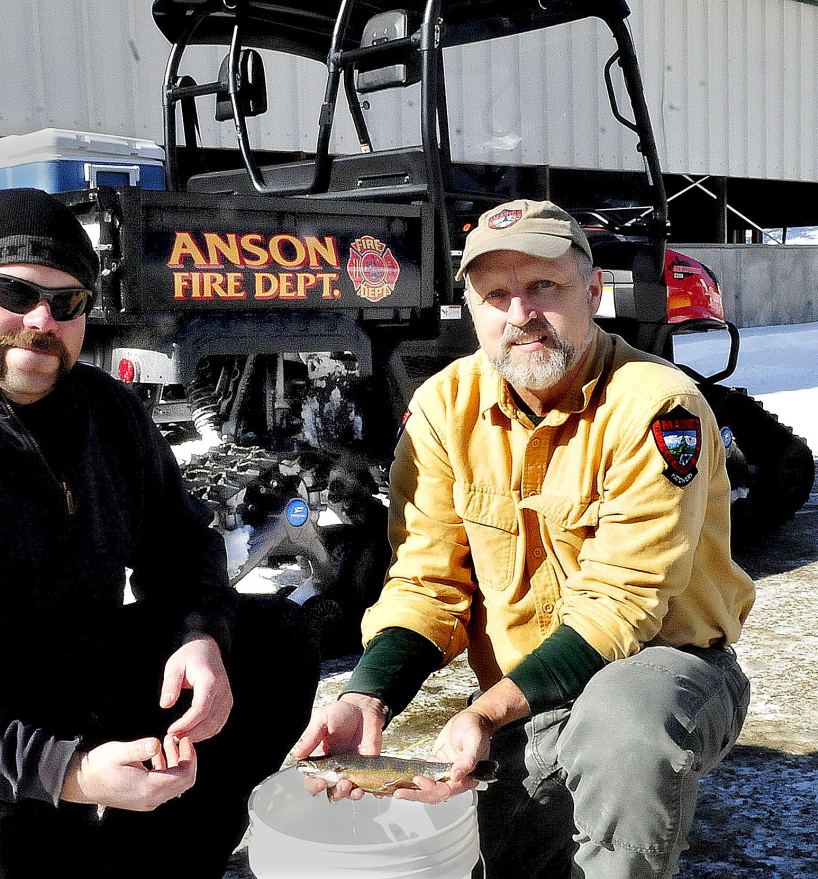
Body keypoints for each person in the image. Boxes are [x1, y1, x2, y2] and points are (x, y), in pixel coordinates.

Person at [0, 187, 317, 878]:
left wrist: (197, 633)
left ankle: (161, 862)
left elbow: (179, 542)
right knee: (11, 850)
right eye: (13, 292)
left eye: (69, 301)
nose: (41, 320)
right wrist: (70, 773)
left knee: (270, 642)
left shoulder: (105, 411)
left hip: (63, 677)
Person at [294, 199, 754, 879]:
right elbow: (426, 582)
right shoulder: (443, 408)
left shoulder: (658, 404)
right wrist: (366, 695)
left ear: (592, 291)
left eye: (545, 286)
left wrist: (483, 711)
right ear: (471, 311)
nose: (520, 313)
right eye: (496, 294)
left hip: (664, 672)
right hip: (527, 696)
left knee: (623, 726)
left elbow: (622, 602)